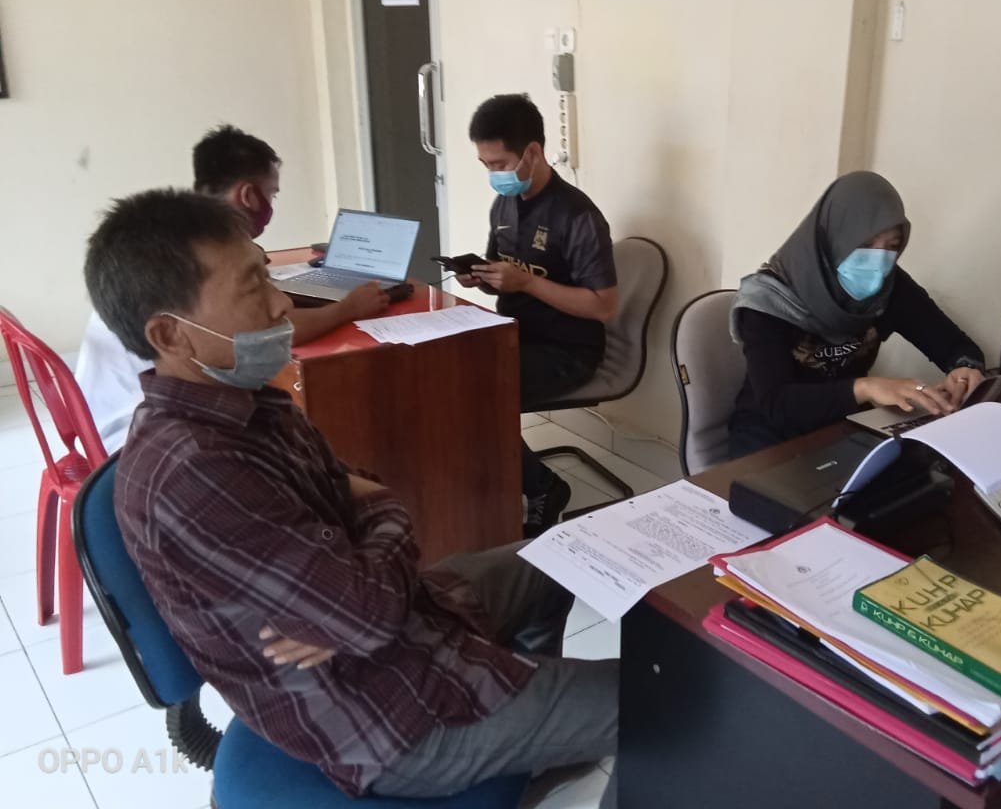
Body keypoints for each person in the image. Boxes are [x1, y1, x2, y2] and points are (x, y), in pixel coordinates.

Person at [85, 189, 618, 802]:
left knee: (563, 553)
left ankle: (538, 739)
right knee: (672, 705)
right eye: (252, 287)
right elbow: (368, 601)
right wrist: (382, 507)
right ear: (170, 334)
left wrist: (357, 562)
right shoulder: (195, 472)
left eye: (267, 275)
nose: (281, 303)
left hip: (413, 622)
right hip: (383, 717)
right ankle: (548, 729)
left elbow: (356, 533)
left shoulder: (250, 402)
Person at [74, 125, 389, 452]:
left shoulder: (172, 243)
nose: (280, 304)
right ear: (248, 195)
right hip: (124, 437)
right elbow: (271, 328)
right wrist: (347, 308)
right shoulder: (197, 458)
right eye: (272, 193)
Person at [728, 171, 986, 458]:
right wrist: (866, 387)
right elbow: (777, 404)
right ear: (831, 238)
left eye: (892, 246)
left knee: (925, 476)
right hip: (770, 435)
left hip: (844, 426)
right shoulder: (768, 299)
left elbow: (956, 346)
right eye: (865, 244)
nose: (878, 260)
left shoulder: (891, 287)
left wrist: (964, 371)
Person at [461, 95, 618, 536]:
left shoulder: (578, 216)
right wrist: (481, 277)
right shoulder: (503, 206)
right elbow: (504, 274)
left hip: (567, 349)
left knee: (474, 393)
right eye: (485, 165)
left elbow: (604, 306)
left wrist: (527, 283)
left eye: (499, 164)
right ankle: (486, 473)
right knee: (443, 369)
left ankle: (544, 487)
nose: (493, 175)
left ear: (532, 152)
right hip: (512, 334)